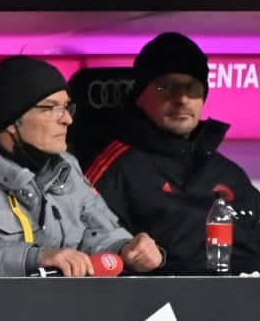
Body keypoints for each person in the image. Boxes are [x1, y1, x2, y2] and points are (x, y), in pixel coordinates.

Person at [0, 56, 164, 277]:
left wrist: (125, 249)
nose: (67, 119)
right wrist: (34, 258)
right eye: (51, 108)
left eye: (66, 107)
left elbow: (98, 231)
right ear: (11, 121)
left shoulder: (66, 168)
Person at [86, 32, 260, 274]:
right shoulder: (116, 166)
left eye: (192, 88)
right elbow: (90, 245)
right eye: (165, 87)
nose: (182, 98)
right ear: (140, 95)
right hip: (159, 297)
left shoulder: (229, 173)